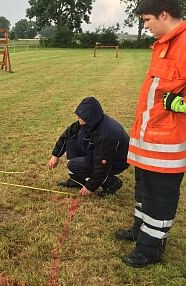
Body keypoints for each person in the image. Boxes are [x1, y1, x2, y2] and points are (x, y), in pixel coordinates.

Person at [115, 0, 186, 268]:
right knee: (144, 190)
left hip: (167, 144)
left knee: (160, 197)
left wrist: (178, 104)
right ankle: (139, 230)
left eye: (147, 20)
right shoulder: (163, 45)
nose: (145, 26)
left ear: (163, 14)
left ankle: (151, 248)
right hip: (148, 139)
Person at [48, 97, 129, 197]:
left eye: (81, 116)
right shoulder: (90, 121)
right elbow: (68, 134)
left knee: (74, 165)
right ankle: (77, 180)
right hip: (101, 154)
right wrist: (55, 155)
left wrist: (90, 186)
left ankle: (111, 183)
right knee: (71, 140)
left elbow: (102, 165)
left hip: (117, 161)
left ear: (90, 116)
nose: (77, 117)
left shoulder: (105, 135)